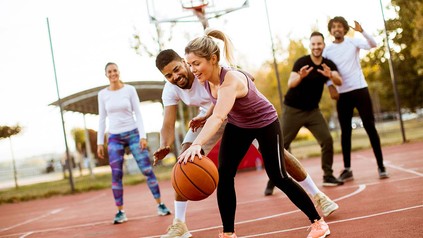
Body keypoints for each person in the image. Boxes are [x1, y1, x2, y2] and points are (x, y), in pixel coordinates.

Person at [178, 29, 330, 238]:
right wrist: (205, 116)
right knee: (225, 174)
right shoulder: (207, 79)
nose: (192, 69)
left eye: (196, 63)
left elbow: (220, 116)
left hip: (265, 123)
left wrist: (197, 144)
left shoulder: (230, 80)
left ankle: (318, 222)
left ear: (213, 59)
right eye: (190, 64)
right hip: (240, 125)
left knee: (278, 176)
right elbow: (218, 104)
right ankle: (228, 233)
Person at [264, 32, 344, 197]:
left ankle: (328, 175)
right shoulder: (302, 62)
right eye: (313, 44)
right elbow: (290, 83)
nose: (316, 47)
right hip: (293, 110)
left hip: (313, 111)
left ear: (323, 45)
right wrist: (300, 77)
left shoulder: (327, 64)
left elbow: (339, 81)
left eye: (319, 44)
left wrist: (330, 76)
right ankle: (273, 180)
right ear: (310, 45)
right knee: (281, 145)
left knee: (327, 140)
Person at [97, 62, 171, 225]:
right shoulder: (102, 94)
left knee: (146, 169)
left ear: (119, 72)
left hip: (133, 133)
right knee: (116, 175)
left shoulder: (129, 90)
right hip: (114, 137)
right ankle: (120, 212)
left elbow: (138, 113)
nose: (113, 73)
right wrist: (99, 142)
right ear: (106, 74)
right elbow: (102, 118)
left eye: (115, 70)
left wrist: (142, 137)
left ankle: (160, 205)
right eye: (109, 71)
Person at [323, 16, 389, 181]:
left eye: (340, 26)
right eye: (334, 27)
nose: (337, 29)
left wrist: (362, 31)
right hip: (342, 94)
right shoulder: (327, 50)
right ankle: (347, 169)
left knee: (370, 127)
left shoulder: (353, 42)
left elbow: (373, 44)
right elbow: (324, 71)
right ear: (331, 31)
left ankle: (381, 166)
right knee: (345, 132)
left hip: (360, 89)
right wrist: (330, 85)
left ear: (345, 29)